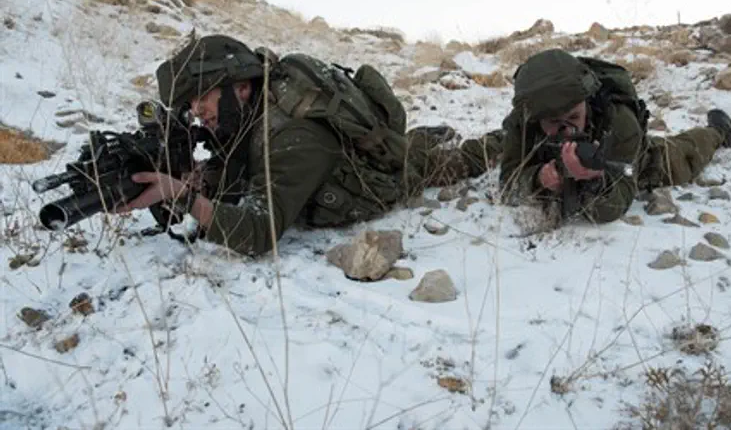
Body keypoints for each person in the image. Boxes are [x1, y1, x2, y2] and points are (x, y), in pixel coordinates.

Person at [115, 34, 502, 257]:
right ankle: (427, 135)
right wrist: (201, 178)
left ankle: (500, 140)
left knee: (453, 160)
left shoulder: (292, 137)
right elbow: (243, 166)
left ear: (242, 87)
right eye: (192, 107)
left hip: (383, 175)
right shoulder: (250, 113)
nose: (199, 115)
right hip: (328, 160)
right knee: (418, 142)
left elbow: (259, 231)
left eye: (203, 101)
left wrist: (184, 197)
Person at [498, 48, 731, 225]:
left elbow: (615, 206)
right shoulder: (522, 121)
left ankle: (720, 130)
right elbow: (507, 186)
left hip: (634, 160)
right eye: (554, 122)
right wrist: (539, 179)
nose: (567, 130)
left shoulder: (620, 121)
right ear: (535, 118)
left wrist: (594, 181)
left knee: (683, 157)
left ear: (587, 101)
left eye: (574, 117)